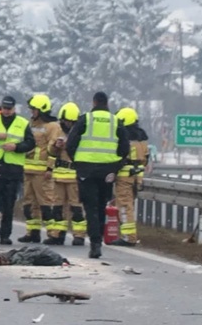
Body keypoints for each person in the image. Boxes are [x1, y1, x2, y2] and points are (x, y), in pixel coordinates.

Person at [66, 92, 129, 259]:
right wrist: (115, 166)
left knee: (90, 207)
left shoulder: (85, 119)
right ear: (107, 103)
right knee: (101, 205)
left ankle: (94, 243)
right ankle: (98, 240)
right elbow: (125, 149)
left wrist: (78, 162)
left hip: (86, 170)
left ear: (94, 102)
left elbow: (70, 144)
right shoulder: (116, 121)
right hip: (107, 171)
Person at [0, 96, 36, 245]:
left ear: (14, 108)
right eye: (4, 108)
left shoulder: (22, 123)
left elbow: (30, 143)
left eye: (9, 109)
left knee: (8, 206)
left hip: (12, 170)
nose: (6, 111)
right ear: (1, 108)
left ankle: (5, 235)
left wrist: (16, 147)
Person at [18, 94, 61, 245]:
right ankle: (33, 232)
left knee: (46, 203)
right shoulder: (31, 124)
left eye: (34, 109)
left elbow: (54, 149)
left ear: (41, 109)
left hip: (42, 171)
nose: (32, 112)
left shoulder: (53, 126)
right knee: (29, 204)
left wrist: (50, 167)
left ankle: (53, 234)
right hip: (28, 169)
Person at [47, 102, 87, 246]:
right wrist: (55, 147)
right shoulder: (58, 131)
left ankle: (79, 235)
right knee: (57, 207)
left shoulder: (81, 132)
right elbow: (50, 152)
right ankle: (57, 234)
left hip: (74, 176)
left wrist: (70, 146)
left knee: (76, 207)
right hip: (59, 176)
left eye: (71, 122)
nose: (68, 124)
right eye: (66, 121)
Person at [112, 107, 150, 247]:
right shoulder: (143, 137)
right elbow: (146, 159)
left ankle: (128, 237)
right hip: (137, 175)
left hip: (124, 176)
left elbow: (119, 156)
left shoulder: (124, 136)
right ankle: (129, 235)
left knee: (124, 206)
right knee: (129, 206)